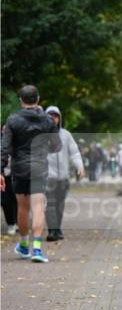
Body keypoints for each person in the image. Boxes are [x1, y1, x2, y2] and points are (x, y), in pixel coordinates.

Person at [0, 85, 62, 262]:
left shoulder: (12, 121)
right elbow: (57, 146)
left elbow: (4, 148)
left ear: (21, 100)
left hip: (19, 169)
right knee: (38, 207)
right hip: (39, 168)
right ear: (38, 99)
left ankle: (24, 244)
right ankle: (37, 249)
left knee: (22, 207)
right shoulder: (48, 121)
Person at [44, 106, 85, 241]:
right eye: (50, 116)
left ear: (59, 118)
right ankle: (51, 231)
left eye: (55, 116)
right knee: (50, 203)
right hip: (48, 176)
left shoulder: (66, 135)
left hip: (63, 176)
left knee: (59, 204)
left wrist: (80, 166)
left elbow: (74, 152)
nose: (53, 119)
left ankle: (58, 229)